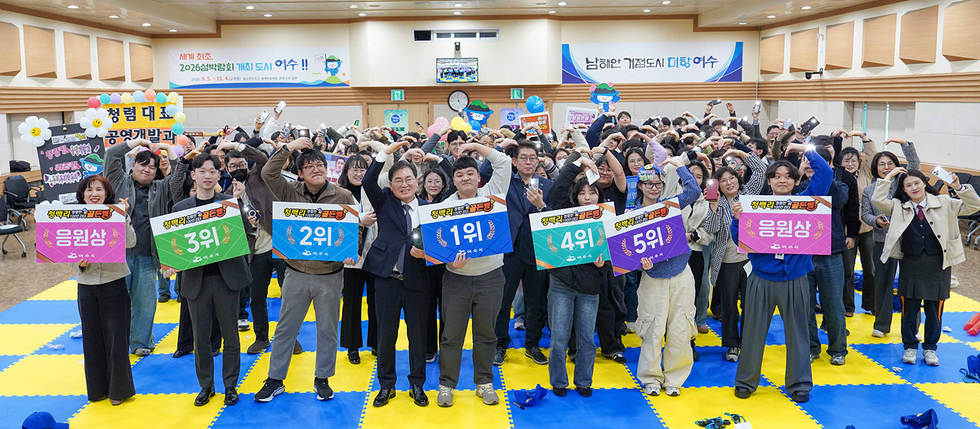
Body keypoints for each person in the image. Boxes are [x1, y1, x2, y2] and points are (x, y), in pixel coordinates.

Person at [254, 137, 357, 403]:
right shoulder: (289, 191)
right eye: (309, 166)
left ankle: (322, 378)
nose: (315, 169)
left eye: (319, 165)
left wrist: (351, 251)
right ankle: (275, 379)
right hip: (296, 272)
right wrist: (288, 148)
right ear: (300, 172)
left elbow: (354, 230)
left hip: (330, 276)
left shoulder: (343, 196)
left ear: (327, 169)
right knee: (286, 329)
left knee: (327, 331)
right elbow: (268, 172)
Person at [731, 142, 833, 404]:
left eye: (788, 176)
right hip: (761, 277)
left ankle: (799, 384)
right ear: (769, 181)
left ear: (796, 181)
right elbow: (739, 239)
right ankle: (745, 381)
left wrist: (805, 149)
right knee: (752, 332)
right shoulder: (755, 206)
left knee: (799, 333)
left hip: (796, 278)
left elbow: (825, 174)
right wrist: (736, 220)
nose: (782, 180)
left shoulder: (806, 202)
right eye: (776, 176)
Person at [872, 167, 980, 366]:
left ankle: (930, 348)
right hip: (910, 263)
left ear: (924, 183)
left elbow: (975, 205)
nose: (914, 188)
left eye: (917, 183)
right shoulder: (899, 206)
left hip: (938, 264)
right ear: (904, 189)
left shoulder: (945, 202)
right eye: (908, 185)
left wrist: (958, 187)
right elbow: (878, 201)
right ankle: (910, 346)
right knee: (909, 310)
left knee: (934, 311)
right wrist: (888, 177)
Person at [358, 139, 435, 407]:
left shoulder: (429, 209)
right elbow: (368, 181)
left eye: (408, 179)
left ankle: (417, 384)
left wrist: (427, 254)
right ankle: (386, 385)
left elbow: (439, 246)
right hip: (386, 279)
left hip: (418, 281)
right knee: (385, 336)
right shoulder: (384, 201)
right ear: (390, 185)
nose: (404, 184)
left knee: (418, 336)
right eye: (398, 180)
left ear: (417, 181)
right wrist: (387, 152)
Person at [173, 153, 252, 407]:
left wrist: (239, 203)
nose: (207, 176)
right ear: (193, 175)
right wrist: (169, 264)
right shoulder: (180, 209)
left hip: (226, 279)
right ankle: (206, 385)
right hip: (195, 281)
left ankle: (230, 385)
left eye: (212, 171)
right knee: (201, 338)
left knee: (231, 335)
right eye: (202, 171)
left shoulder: (229, 202)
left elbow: (245, 233)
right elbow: (172, 245)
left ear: (219, 175)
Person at [436, 141, 511, 408]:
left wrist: (475, 145)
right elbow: (437, 246)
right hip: (456, 279)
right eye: (459, 174)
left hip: (491, 276)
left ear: (479, 177)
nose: (465, 178)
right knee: (451, 335)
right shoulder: (445, 207)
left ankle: (484, 383)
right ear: (453, 180)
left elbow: (504, 162)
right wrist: (449, 261)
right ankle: (446, 385)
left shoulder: (492, 194)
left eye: (470, 173)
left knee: (486, 334)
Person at [104, 138, 183, 356]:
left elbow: (178, 177)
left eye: (152, 167)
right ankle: (116, 341)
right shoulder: (118, 181)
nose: (147, 169)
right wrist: (136, 142)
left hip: (148, 254)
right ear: (134, 165)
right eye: (143, 164)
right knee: (116, 301)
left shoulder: (161, 187)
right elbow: (111, 155)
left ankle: (140, 341)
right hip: (118, 254)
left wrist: (168, 149)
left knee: (145, 302)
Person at [634, 154, 702, 397]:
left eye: (658, 184)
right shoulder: (632, 215)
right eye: (648, 184)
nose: (654, 188)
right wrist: (640, 265)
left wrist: (679, 166)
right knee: (653, 328)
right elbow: (626, 253)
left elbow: (694, 191)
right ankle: (651, 378)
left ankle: (674, 378)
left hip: (681, 271)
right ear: (640, 186)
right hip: (653, 277)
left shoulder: (669, 206)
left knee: (681, 327)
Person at [484, 140, 553, 367]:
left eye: (532, 158)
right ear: (513, 161)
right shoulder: (504, 181)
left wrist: (541, 205)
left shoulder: (547, 185)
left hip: (537, 250)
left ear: (538, 161)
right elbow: (484, 170)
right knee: (503, 301)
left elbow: (555, 217)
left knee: (535, 302)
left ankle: (532, 344)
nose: (528, 162)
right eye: (523, 157)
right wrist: (500, 147)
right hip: (509, 249)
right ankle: (500, 345)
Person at [543, 156, 608, 397]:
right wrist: (578, 163)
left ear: (599, 196)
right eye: (582, 193)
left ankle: (584, 381)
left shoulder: (606, 218)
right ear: (576, 196)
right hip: (561, 284)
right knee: (559, 337)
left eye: (592, 193)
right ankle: (559, 381)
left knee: (587, 339)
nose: (587, 197)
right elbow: (557, 189)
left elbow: (613, 257)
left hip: (590, 287)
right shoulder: (565, 213)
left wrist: (602, 265)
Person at [73, 175, 136, 406]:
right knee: (91, 338)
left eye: (99, 189)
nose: (94, 194)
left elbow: (131, 243)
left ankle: (118, 390)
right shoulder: (73, 217)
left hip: (114, 281)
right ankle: (97, 389)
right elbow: (65, 251)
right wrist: (78, 265)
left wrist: (124, 216)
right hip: (86, 285)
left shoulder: (116, 214)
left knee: (116, 338)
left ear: (106, 194)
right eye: (89, 190)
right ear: (82, 195)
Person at [705, 142, 767, 363]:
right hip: (727, 261)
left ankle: (748, 343)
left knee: (751, 304)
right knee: (729, 306)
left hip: (752, 260)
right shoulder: (716, 203)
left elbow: (760, 170)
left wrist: (741, 152)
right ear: (717, 185)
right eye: (723, 180)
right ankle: (732, 344)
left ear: (739, 179)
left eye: (732, 178)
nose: (728, 182)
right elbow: (710, 230)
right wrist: (712, 207)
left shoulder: (748, 194)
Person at [861, 139, 920, 337]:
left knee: (911, 285)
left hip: (908, 240)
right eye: (882, 164)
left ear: (896, 166)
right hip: (882, 240)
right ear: (875, 168)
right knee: (882, 283)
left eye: (890, 163)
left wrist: (905, 144)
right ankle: (881, 325)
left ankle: (913, 327)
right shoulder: (869, 190)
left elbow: (914, 164)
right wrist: (876, 221)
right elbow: (865, 214)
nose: (886, 167)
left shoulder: (903, 184)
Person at [337, 154, 379, 364]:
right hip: (350, 255)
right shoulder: (338, 193)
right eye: (354, 169)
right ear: (346, 172)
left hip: (375, 252)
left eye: (363, 169)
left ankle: (376, 342)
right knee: (351, 301)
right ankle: (352, 346)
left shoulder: (373, 190)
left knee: (376, 300)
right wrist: (359, 220)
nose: (358, 173)